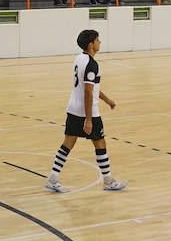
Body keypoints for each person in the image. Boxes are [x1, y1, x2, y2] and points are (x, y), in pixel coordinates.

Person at [43, 29, 127, 193]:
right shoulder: (92, 65)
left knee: (68, 143)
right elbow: (88, 92)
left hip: (73, 109)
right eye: (97, 40)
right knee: (100, 143)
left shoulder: (78, 59)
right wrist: (88, 120)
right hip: (87, 112)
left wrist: (107, 100)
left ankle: (53, 178)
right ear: (91, 45)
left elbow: (90, 88)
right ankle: (108, 180)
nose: (99, 42)